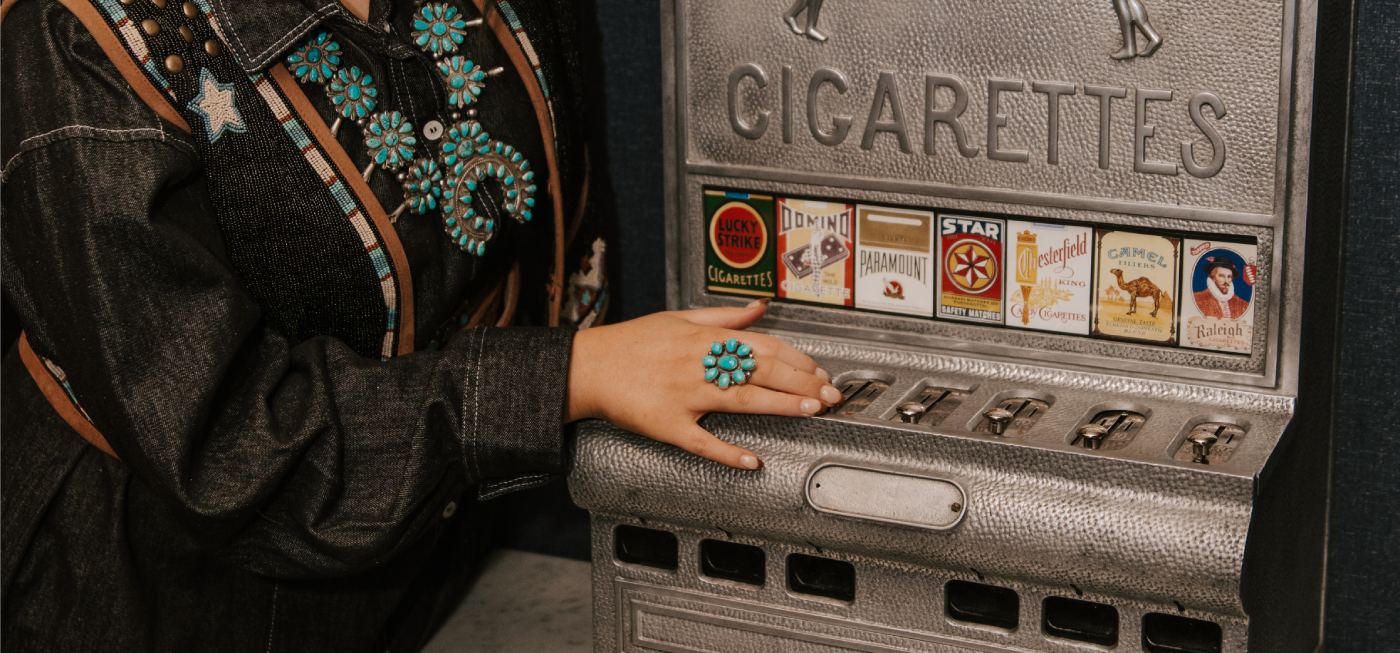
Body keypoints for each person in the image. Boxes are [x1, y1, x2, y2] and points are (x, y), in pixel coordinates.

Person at [0, 0, 841, 650]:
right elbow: (228, 451)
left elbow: (562, 241)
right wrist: (570, 375)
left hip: (440, 576)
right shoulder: (80, 42)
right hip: (167, 601)